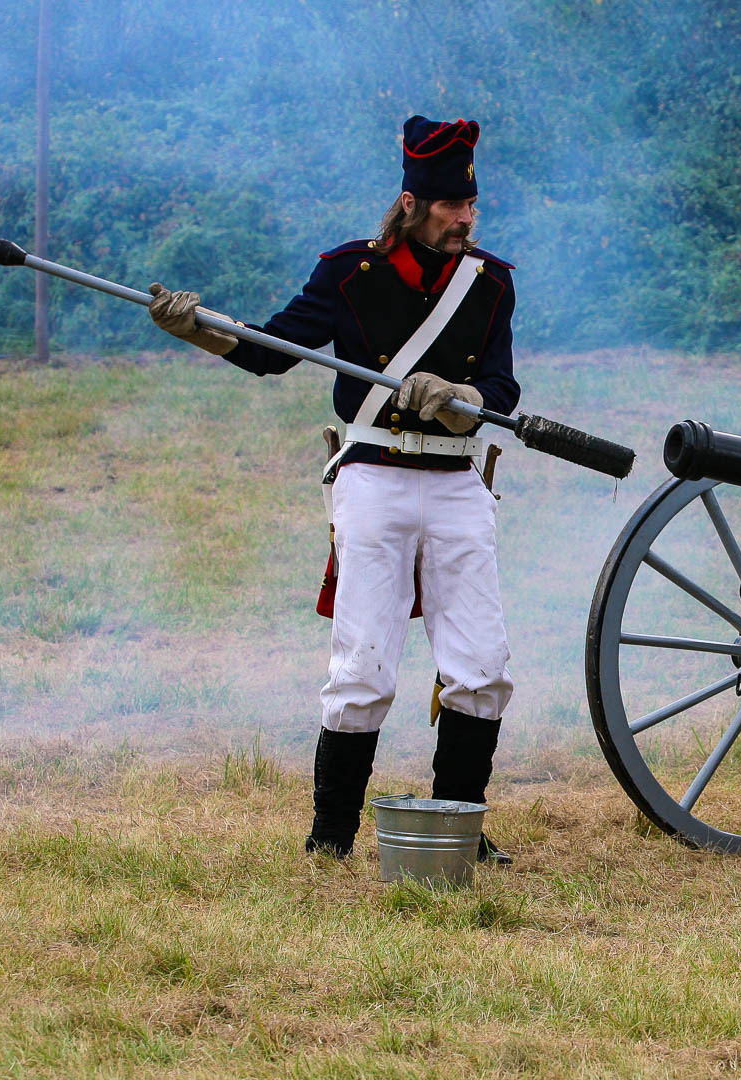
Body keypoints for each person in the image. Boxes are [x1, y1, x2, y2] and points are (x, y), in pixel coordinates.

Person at [146, 115, 519, 863]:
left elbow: (504, 388)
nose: (465, 218)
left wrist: (462, 393)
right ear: (411, 202)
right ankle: (330, 841)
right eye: (450, 205)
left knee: (481, 670)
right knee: (362, 671)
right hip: (374, 478)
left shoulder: (490, 281)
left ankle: (457, 833)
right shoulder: (349, 271)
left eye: (471, 205)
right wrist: (197, 330)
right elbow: (270, 351)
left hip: (455, 481)